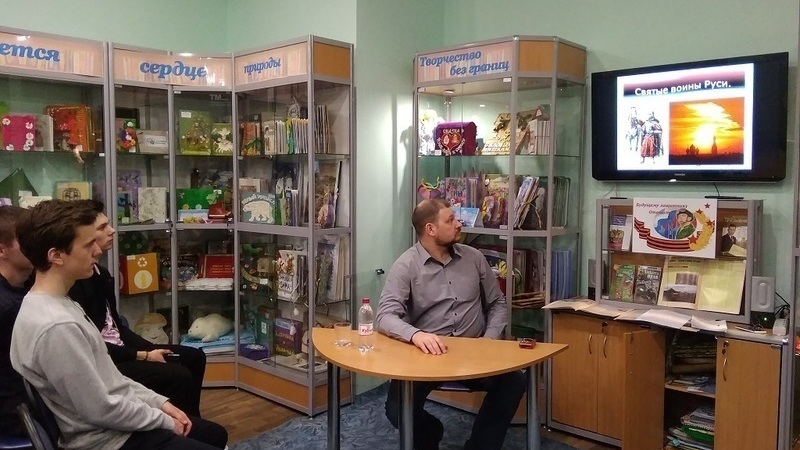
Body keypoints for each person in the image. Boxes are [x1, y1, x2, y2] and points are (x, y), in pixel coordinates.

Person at [10, 199, 227, 450]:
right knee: (208, 437)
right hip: (108, 441)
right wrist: (163, 420)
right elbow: (100, 408)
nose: (98, 251)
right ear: (56, 255)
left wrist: (160, 403)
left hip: (115, 427)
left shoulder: (56, 303)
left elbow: (112, 381)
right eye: (88, 245)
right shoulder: (57, 326)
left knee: (214, 434)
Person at [375, 198, 526, 450]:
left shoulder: (474, 258)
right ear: (430, 229)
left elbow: (497, 303)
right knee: (396, 410)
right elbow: (385, 316)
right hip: (427, 358)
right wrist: (416, 335)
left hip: (475, 353)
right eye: (450, 220)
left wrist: (489, 341)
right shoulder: (406, 265)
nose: (458, 224)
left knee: (515, 382)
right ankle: (431, 433)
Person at [68, 200, 207, 417]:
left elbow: (116, 326)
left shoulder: (101, 273)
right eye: (103, 227)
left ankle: (192, 420)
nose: (112, 230)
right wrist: (143, 355)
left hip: (123, 349)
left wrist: (150, 349)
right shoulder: (77, 282)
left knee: (194, 357)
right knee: (179, 375)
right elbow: (94, 343)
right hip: (109, 360)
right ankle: (180, 425)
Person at [0, 205, 34, 438]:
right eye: (25, 240)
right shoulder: (8, 306)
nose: (36, 245)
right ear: (3, 250)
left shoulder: (27, 288)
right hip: (16, 412)